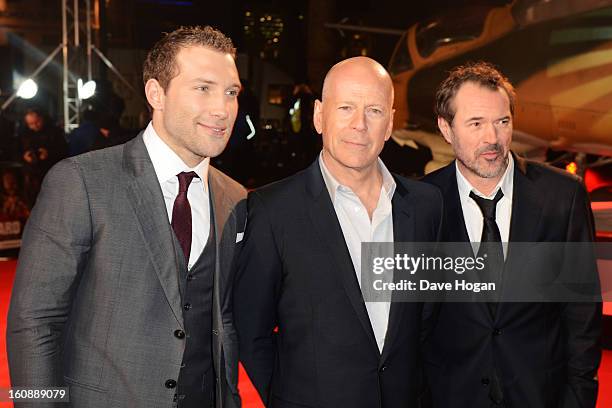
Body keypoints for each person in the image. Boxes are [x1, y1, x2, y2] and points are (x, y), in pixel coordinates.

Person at [7, 26, 246, 408]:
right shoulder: (82, 182)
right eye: (203, 88)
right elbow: (33, 322)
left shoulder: (234, 197)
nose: (222, 108)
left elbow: (223, 318)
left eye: (231, 92)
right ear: (156, 94)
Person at [234, 56, 443, 407]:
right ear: (319, 116)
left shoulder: (426, 206)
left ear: (390, 122)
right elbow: (251, 332)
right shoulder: (272, 211)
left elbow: (426, 321)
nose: (359, 124)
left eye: (374, 110)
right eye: (345, 107)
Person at [421, 62, 601, 407]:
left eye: (502, 122)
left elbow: (581, 316)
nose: (492, 138)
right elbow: (411, 327)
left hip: (540, 395)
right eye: (476, 123)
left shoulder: (562, 196)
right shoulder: (421, 203)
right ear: (446, 128)